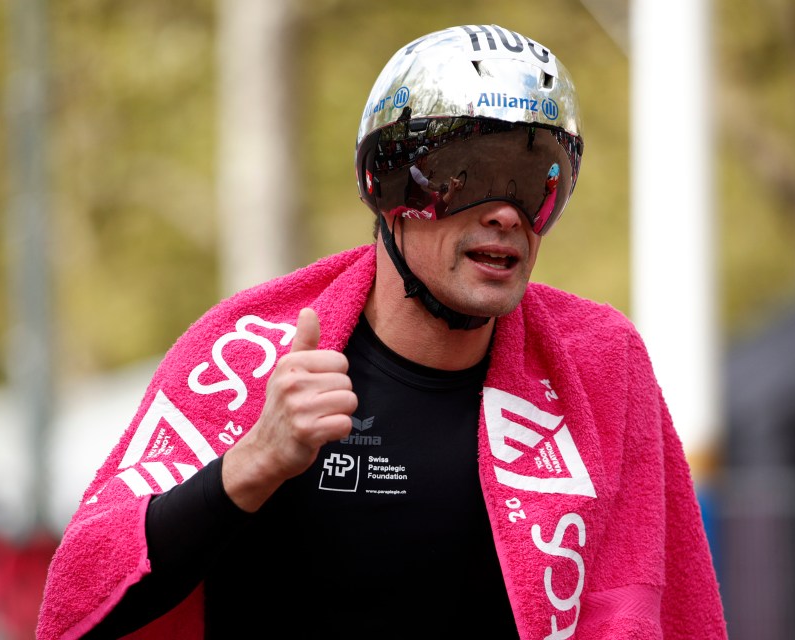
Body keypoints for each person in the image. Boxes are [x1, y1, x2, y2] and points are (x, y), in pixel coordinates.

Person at [37, 24, 728, 639]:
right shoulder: (243, 352)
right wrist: (254, 462)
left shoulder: (599, 362)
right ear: (388, 188)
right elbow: (82, 607)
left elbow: (674, 617)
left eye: (534, 182)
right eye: (468, 177)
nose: (507, 215)